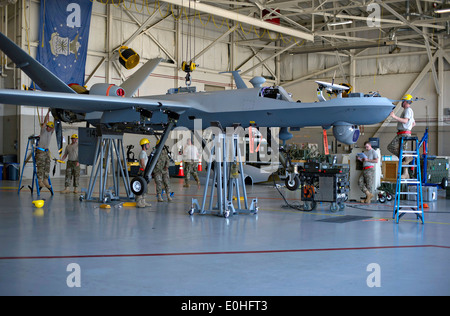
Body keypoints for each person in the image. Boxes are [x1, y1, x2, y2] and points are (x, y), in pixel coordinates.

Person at [387, 94, 416, 178]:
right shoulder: (410, 111)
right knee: (402, 155)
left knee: (391, 147)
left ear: (405, 101)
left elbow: (405, 121)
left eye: (402, 101)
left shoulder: (407, 110)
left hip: (403, 133)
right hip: (406, 132)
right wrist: (408, 129)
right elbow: (413, 123)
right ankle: (405, 173)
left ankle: (407, 156)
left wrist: (394, 116)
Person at [36, 109, 54, 191]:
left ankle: (45, 180)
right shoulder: (43, 130)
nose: (49, 128)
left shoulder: (50, 132)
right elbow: (45, 121)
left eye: (50, 127)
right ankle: (40, 180)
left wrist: (56, 115)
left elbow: (55, 126)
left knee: (47, 165)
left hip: (46, 151)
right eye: (48, 127)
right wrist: (48, 113)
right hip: (40, 151)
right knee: (41, 166)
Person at [136, 138, 152, 208]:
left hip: (145, 171)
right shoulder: (142, 153)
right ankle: (139, 202)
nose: (149, 145)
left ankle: (143, 201)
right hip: (143, 171)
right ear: (144, 145)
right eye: (147, 144)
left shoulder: (144, 153)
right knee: (142, 187)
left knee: (145, 187)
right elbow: (142, 162)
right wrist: (146, 171)